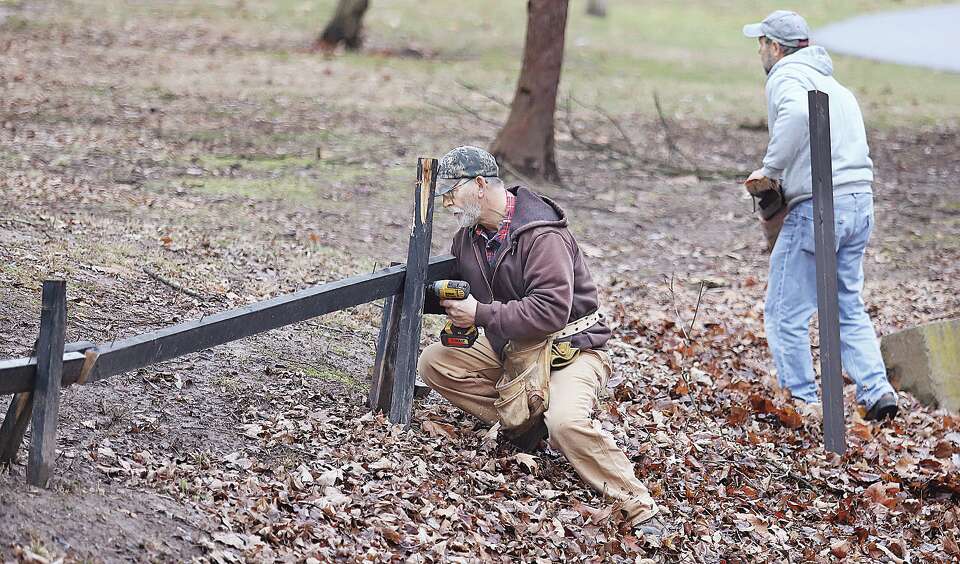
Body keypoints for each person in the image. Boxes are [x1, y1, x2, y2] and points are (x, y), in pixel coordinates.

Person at [417, 146, 662, 532]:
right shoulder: (468, 239)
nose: (447, 203)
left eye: (451, 192)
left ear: (480, 185)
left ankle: (638, 505)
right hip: (512, 345)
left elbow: (550, 312)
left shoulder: (542, 235)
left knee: (565, 423)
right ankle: (527, 425)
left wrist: (479, 314)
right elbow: (469, 293)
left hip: (572, 349)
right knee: (435, 362)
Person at [742, 10, 898, 420]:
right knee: (846, 304)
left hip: (819, 207)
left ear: (775, 47)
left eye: (761, 43)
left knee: (784, 311)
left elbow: (797, 116)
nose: (759, 51)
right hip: (859, 202)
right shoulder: (835, 86)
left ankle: (803, 401)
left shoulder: (786, 77)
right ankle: (876, 390)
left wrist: (771, 169)